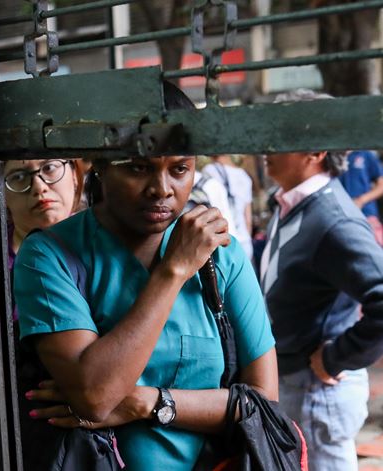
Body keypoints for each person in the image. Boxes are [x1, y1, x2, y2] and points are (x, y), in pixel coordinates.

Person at [14, 83, 277, 470]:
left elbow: (263, 400)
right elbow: (96, 398)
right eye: (139, 168)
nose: (162, 189)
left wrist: (146, 402)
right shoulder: (51, 256)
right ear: (98, 165)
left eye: (180, 169)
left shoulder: (222, 255)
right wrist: (173, 272)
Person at [260, 88, 383, 471]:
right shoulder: (291, 203)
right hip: (296, 384)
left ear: (314, 152)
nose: (266, 147)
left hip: (318, 391)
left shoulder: (334, 221)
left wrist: (334, 358)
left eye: (281, 138)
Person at [203, 156, 254, 258]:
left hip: (225, 242)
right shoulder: (243, 175)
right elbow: (248, 218)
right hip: (245, 241)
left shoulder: (209, 170)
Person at [339, 149, 383, 245]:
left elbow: (381, 185)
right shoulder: (332, 155)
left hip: (366, 215)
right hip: (340, 216)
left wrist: (361, 200)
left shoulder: (365, 154)